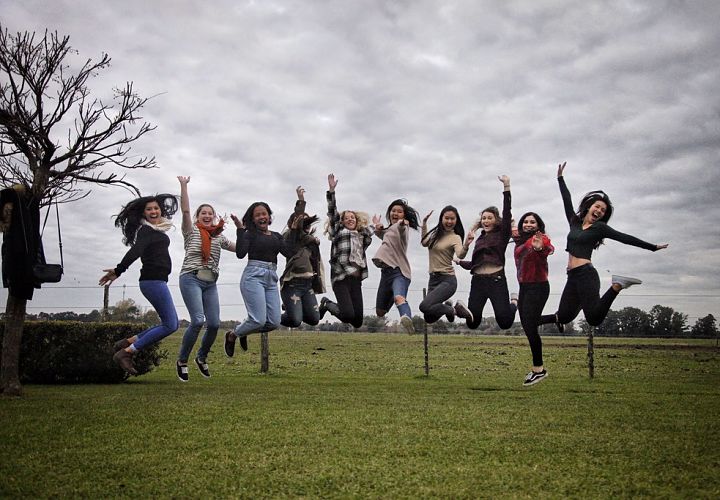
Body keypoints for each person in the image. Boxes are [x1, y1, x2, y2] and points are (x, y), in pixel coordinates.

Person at [538, 162, 669, 332]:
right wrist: (560, 179)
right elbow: (566, 200)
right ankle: (531, 320)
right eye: (597, 207)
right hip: (572, 276)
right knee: (563, 315)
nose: (599, 211)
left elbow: (624, 238)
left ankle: (617, 285)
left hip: (586, 274)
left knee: (593, 318)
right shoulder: (575, 223)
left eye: (603, 210)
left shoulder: (600, 228)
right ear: (589, 207)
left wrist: (652, 247)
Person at [101, 194, 179, 376]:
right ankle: (126, 352)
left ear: (161, 210)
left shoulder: (158, 230)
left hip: (157, 281)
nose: (153, 211)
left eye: (156, 208)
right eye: (149, 209)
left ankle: (127, 343)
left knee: (169, 323)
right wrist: (119, 270)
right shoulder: (146, 231)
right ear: (144, 213)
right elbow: (135, 251)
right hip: (152, 281)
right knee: (170, 325)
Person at [175, 176, 236, 382]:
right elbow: (184, 211)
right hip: (190, 278)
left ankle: (201, 358)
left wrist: (246, 231)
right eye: (203, 213)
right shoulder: (190, 230)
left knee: (214, 324)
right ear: (197, 217)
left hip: (211, 282)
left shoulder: (219, 236)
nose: (207, 216)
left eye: (210, 213)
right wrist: (183, 185)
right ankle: (182, 361)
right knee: (198, 320)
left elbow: (239, 249)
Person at [224, 201, 293, 357]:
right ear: (253, 219)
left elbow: (289, 252)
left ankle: (243, 330)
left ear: (269, 217)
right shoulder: (249, 234)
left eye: (264, 213)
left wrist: (297, 231)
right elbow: (241, 253)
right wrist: (240, 229)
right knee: (258, 320)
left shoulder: (276, 236)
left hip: (271, 278)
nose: (262, 216)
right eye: (258, 215)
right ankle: (233, 335)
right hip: (253, 277)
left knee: (274, 322)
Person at [455, 175, 517, 330]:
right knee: (473, 323)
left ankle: (514, 302)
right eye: (483, 218)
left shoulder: (502, 236)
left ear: (496, 220)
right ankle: (459, 310)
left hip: (496, 281)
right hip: (478, 282)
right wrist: (459, 261)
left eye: (490, 218)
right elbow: (475, 264)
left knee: (505, 322)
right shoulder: (479, 240)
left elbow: (507, 211)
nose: (486, 221)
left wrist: (506, 187)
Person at [318, 174, 373, 329]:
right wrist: (331, 191)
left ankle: (328, 304)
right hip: (341, 277)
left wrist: (376, 225)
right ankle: (327, 303)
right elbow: (332, 212)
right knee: (348, 315)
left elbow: (370, 233)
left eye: (353, 218)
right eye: (347, 218)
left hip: (356, 280)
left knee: (357, 321)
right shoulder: (338, 232)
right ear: (342, 221)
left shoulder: (361, 237)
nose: (350, 219)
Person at [512, 212, 554, 386]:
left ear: (538, 225)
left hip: (538, 286)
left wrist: (539, 248)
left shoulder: (540, 238)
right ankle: (557, 318)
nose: (528, 224)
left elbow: (549, 248)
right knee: (528, 326)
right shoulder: (519, 239)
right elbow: (508, 225)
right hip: (524, 287)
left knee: (531, 325)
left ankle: (539, 370)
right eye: (526, 222)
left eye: (532, 222)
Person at [372, 198, 420, 334]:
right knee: (380, 312)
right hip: (385, 274)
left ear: (404, 215)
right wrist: (377, 226)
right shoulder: (389, 231)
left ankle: (406, 319)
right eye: (393, 211)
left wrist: (403, 223)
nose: (396, 213)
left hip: (399, 273)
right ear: (389, 213)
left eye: (399, 211)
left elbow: (401, 226)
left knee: (399, 298)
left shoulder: (402, 228)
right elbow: (383, 233)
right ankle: (395, 297)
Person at [279, 186, 325, 329]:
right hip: (292, 283)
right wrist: (301, 201)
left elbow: (315, 264)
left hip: (307, 285)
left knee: (313, 319)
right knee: (295, 321)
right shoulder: (291, 237)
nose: (305, 224)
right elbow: (296, 230)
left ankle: (294, 307)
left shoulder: (310, 242)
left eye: (308, 222)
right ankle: (269, 315)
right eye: (301, 222)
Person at [418, 206, 469, 324]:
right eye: (447, 218)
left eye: (452, 219)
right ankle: (448, 307)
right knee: (429, 318)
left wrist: (466, 244)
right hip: (433, 279)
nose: (449, 221)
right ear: (442, 219)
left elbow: (460, 254)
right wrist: (424, 224)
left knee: (424, 306)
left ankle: (454, 310)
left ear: (456, 220)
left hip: (447, 280)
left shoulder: (455, 237)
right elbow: (424, 242)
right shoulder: (435, 234)